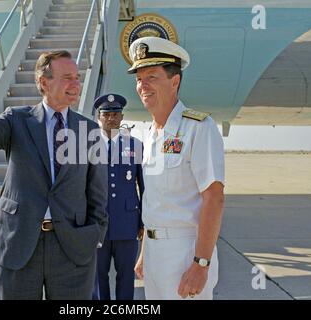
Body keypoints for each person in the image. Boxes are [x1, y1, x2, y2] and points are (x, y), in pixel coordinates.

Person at [0, 50, 108, 300]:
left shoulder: (88, 129)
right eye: (67, 77)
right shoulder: (17, 120)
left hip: (72, 248)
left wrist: (94, 236)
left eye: (77, 78)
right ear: (44, 82)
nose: (76, 84)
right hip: (19, 245)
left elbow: (97, 191)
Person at [129, 37, 225, 300]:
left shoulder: (198, 128)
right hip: (154, 256)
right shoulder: (149, 135)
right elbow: (155, 200)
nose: (142, 85)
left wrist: (201, 264)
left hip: (185, 253)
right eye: (139, 78)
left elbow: (214, 198)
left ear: (175, 81)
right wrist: (144, 253)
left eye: (151, 77)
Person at [93, 93, 144, 300]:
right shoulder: (88, 146)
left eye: (116, 114)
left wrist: (142, 222)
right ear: (99, 117)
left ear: (122, 117)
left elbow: (144, 187)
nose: (111, 118)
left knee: (126, 278)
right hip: (97, 226)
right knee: (98, 278)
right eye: (107, 114)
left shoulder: (135, 146)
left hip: (127, 224)